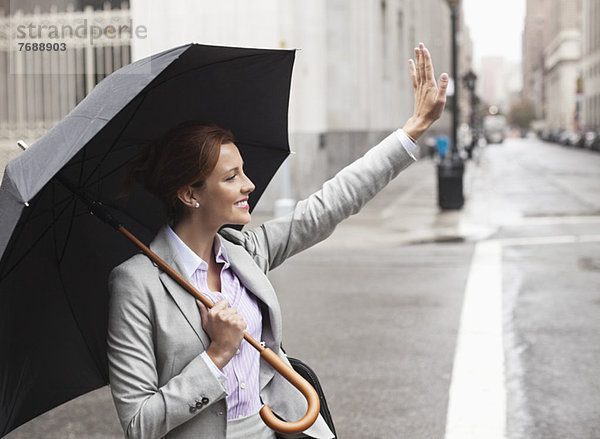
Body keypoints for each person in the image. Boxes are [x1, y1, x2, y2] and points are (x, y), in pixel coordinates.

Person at [107, 43, 448, 439]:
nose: (248, 185)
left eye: (244, 171)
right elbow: (138, 424)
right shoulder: (137, 284)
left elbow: (328, 206)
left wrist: (413, 129)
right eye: (231, 177)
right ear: (190, 194)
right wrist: (216, 356)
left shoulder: (244, 252)